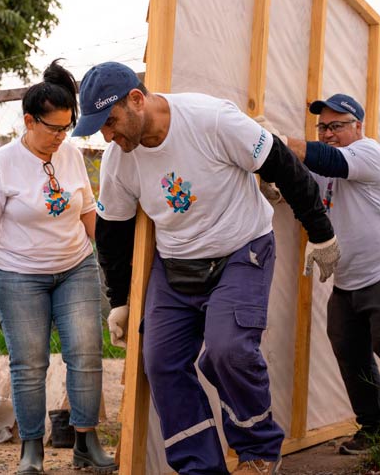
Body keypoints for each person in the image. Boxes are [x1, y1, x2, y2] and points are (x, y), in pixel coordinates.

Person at [71, 61, 339, 475]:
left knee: (227, 350)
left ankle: (258, 451)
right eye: (99, 129)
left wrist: (321, 233)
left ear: (137, 100)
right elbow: (112, 235)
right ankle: (201, 468)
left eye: (110, 122)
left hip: (240, 250)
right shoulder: (119, 161)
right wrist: (120, 301)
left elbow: (283, 165)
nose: (107, 135)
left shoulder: (212, 120)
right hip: (176, 264)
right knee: (159, 361)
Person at [0, 60, 116, 474]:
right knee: (29, 362)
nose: (61, 137)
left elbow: (88, 215)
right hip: (18, 275)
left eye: (67, 128)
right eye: (54, 128)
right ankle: (32, 449)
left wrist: (114, 271)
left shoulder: (71, 157)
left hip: (75, 267)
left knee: (85, 351)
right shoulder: (1, 164)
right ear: (29, 121)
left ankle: (86, 441)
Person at [260, 94, 380, 455]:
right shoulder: (328, 171)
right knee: (350, 353)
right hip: (347, 280)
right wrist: (274, 177)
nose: (329, 133)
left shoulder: (370, 154)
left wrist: (277, 143)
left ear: (358, 127)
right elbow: (302, 183)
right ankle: (375, 427)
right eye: (323, 127)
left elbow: (328, 159)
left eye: (337, 126)